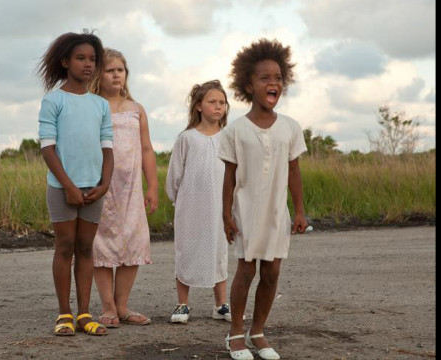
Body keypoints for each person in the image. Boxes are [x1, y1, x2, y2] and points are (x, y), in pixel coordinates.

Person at [218, 38, 308, 360]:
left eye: (278, 78)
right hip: (246, 210)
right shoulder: (235, 131)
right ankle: (236, 334)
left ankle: (258, 331)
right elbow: (228, 177)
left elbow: (294, 172)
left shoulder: (290, 128)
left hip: (276, 213)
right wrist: (226, 214)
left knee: (271, 272)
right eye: (265, 78)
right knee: (246, 271)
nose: (273, 83)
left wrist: (298, 211)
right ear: (249, 85)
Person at [37, 31, 112, 336]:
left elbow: (107, 147)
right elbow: (47, 147)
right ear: (65, 61)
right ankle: (64, 313)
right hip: (61, 187)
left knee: (85, 248)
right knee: (65, 246)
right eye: (80, 58)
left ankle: (84, 313)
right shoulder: (53, 100)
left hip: (94, 188)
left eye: (92, 59)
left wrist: (104, 184)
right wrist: (67, 186)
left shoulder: (100, 105)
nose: (88, 64)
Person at [88, 48, 158, 328]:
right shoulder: (92, 106)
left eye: (121, 70)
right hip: (101, 187)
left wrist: (152, 186)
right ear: (98, 75)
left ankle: (122, 305)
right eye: (110, 70)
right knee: (100, 244)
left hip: (131, 189)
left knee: (134, 241)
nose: (117, 74)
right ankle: (107, 308)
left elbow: (147, 149)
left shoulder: (136, 108)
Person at [165, 80, 232, 324]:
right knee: (187, 250)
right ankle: (183, 304)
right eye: (212, 102)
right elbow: (174, 175)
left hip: (220, 209)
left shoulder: (229, 137)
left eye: (222, 103)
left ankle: (221, 305)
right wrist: (179, 202)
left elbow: (236, 174)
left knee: (219, 251)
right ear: (199, 106)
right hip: (190, 207)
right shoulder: (187, 138)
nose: (218, 107)